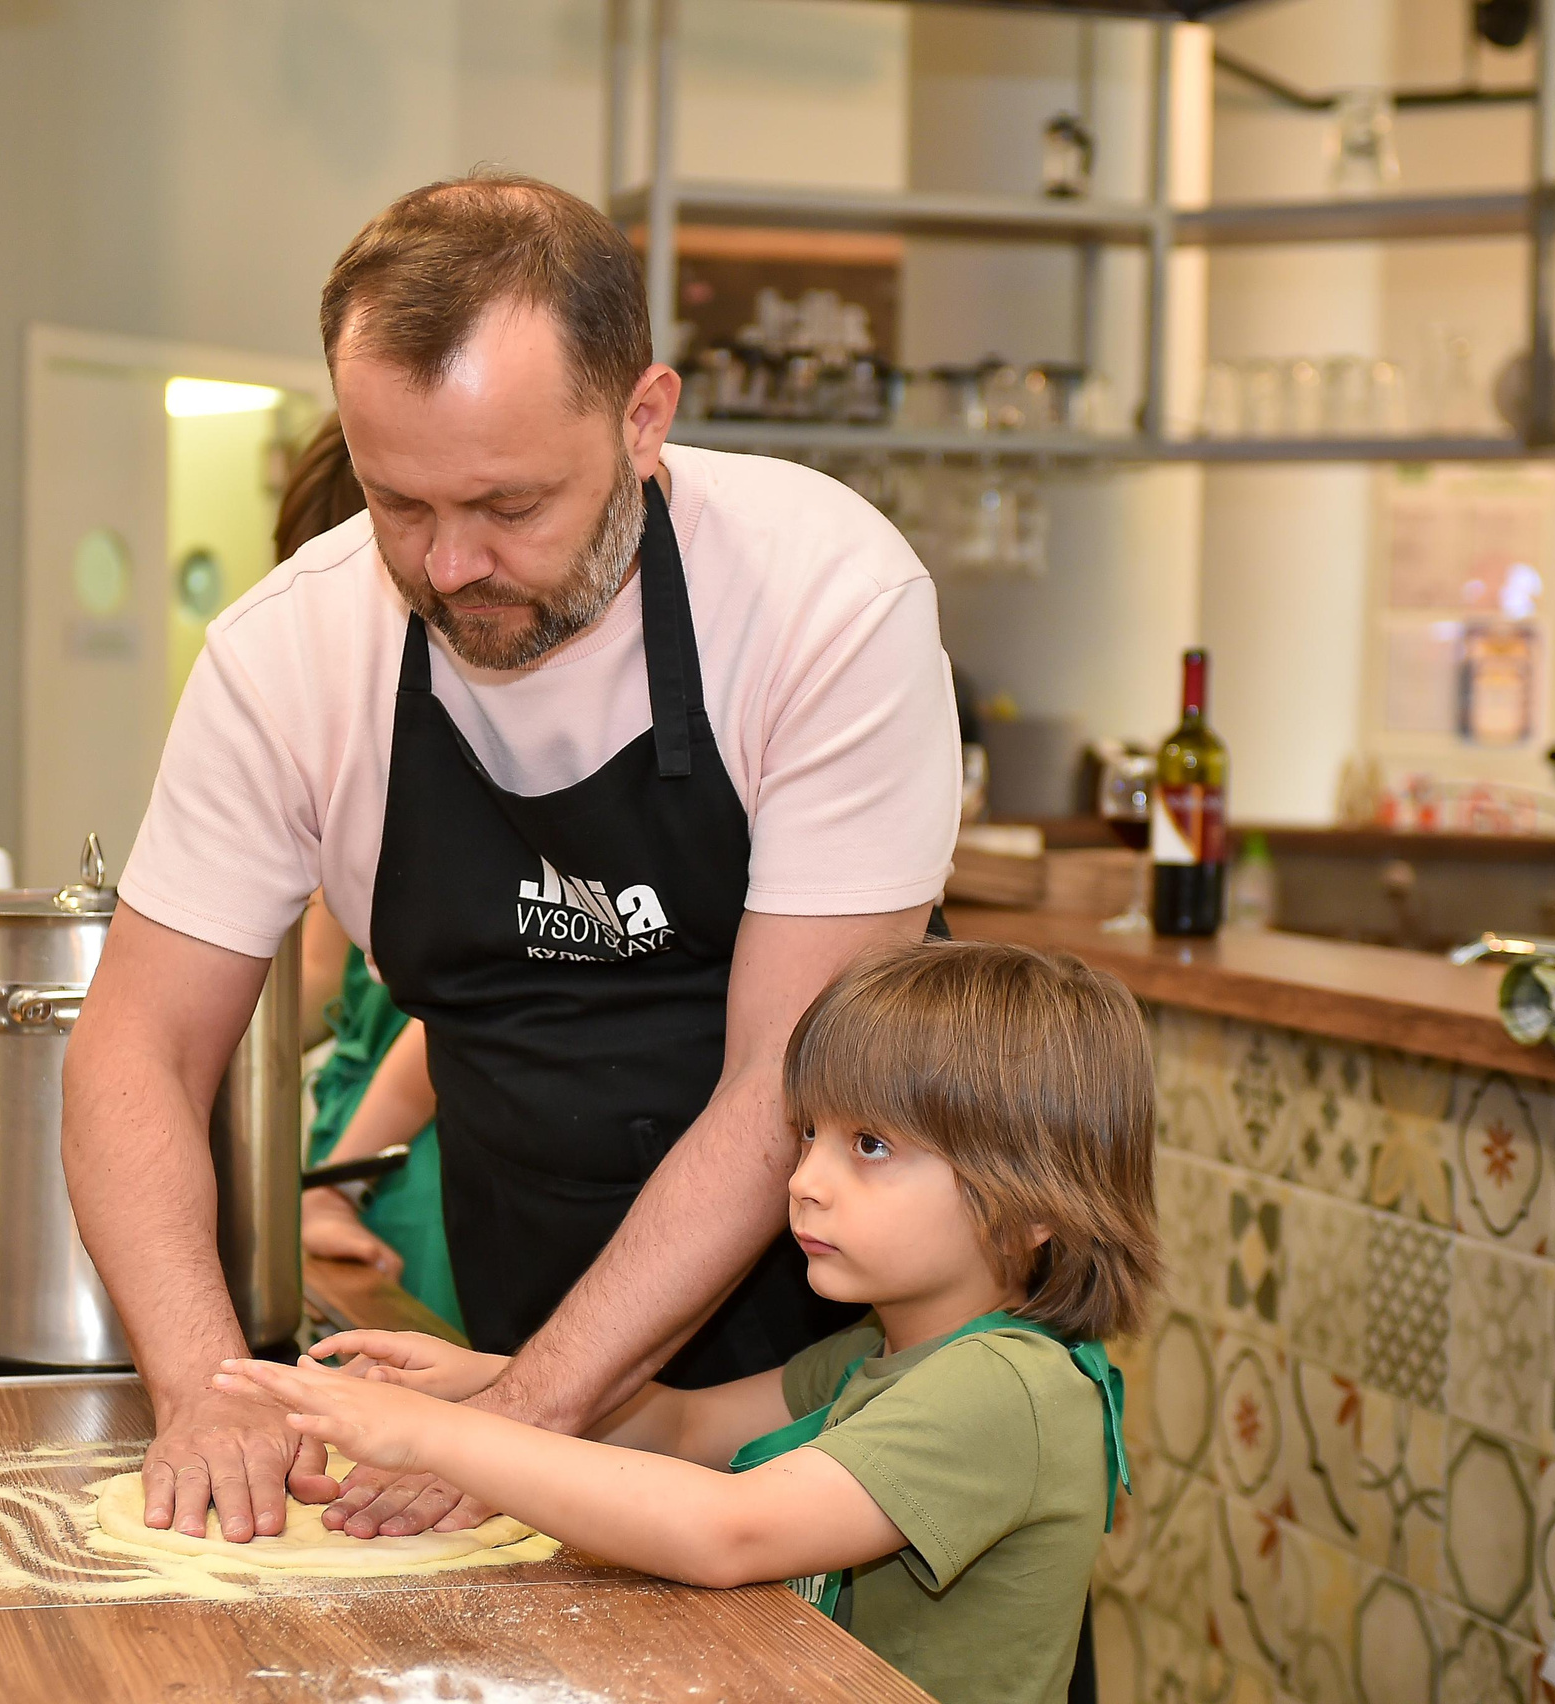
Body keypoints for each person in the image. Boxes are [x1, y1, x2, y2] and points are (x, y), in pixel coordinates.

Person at [61, 170, 960, 1547]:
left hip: (860, 1355)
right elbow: (136, 1052)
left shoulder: (825, 600)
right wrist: (202, 1388)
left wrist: (524, 1425)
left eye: (508, 505)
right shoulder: (286, 657)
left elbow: (788, 1080)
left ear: (643, 418)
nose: (452, 563)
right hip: (527, 1295)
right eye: (397, 506)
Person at [216, 940, 1160, 1704]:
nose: (804, 1181)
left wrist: (440, 1434)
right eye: (808, 1136)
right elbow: (683, 1426)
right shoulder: (885, 1355)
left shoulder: (1006, 1389)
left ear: (1039, 1203)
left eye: (870, 1146)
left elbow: (729, 1529)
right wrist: (481, 1381)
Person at [279, 414, 461, 1329]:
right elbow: (317, 969)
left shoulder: (458, 748)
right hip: (354, 1139)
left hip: (415, 1150)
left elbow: (451, 1028)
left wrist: (336, 1183)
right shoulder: (361, 737)